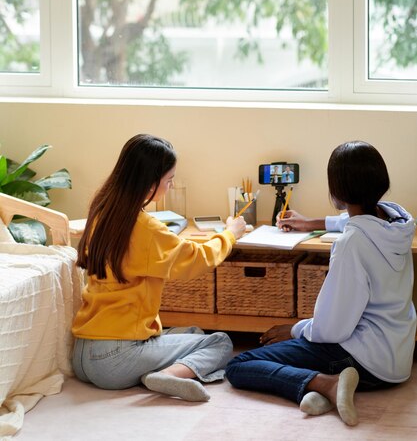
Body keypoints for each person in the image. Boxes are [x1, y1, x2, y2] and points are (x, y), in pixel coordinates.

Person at [225, 141, 416, 426]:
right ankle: (322, 388)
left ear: (336, 192)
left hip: (364, 361)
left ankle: (327, 384)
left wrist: (294, 328)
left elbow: (331, 329)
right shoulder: (398, 221)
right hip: (397, 359)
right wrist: (311, 223)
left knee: (240, 365)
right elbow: (358, 221)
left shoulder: (352, 244)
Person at [72, 134, 246, 402]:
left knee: (192, 333)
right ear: (150, 183)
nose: (171, 185)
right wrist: (230, 234)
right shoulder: (145, 228)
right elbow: (196, 259)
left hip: (83, 354)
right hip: (115, 359)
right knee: (219, 342)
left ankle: (155, 370)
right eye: (169, 180)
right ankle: (170, 375)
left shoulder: (103, 210)